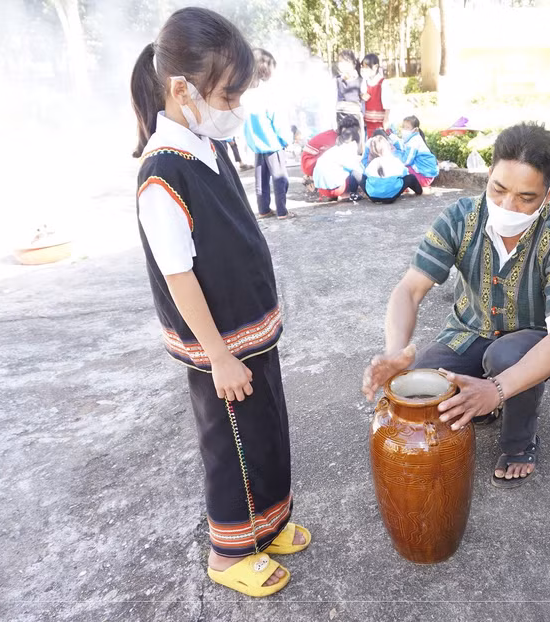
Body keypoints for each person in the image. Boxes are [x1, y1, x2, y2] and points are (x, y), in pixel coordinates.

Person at [130, 7, 309, 599]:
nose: (236, 108)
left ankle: (271, 524)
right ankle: (231, 552)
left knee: (266, 431)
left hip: (250, 331)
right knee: (232, 446)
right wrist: (218, 357)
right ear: (181, 89)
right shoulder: (162, 174)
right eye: (228, 95)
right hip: (221, 346)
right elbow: (179, 276)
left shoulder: (206, 144)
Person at [362, 122, 550, 488]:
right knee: (421, 383)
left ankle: (519, 441)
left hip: (530, 342)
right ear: (489, 176)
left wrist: (496, 390)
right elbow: (409, 290)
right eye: (498, 189)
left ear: (549, 195)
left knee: (506, 358)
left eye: (526, 197)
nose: (507, 206)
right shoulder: (459, 218)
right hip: (468, 331)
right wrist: (396, 353)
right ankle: (479, 394)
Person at [243, 48, 293, 220]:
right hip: (273, 144)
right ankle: (282, 211)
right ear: (265, 68)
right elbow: (277, 119)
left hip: (257, 146)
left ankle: (263, 209)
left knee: (261, 180)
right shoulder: (268, 93)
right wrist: (285, 139)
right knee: (279, 178)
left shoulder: (245, 93)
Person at [300, 116, 360, 193]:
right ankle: (314, 180)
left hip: (309, 161)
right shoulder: (337, 139)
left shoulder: (335, 134)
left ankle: (313, 179)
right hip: (310, 163)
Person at [361, 134, 422, 203]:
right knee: (411, 177)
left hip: (373, 197)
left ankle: (355, 193)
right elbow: (405, 173)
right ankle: (419, 191)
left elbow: (366, 175)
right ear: (388, 147)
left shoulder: (372, 163)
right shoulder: (394, 160)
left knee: (360, 175)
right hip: (391, 196)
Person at [312, 125, 363, 201]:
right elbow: (356, 170)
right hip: (336, 189)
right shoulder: (347, 150)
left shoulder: (334, 150)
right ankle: (348, 194)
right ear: (354, 142)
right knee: (354, 172)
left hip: (322, 189)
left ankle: (336, 194)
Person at [396, 115, 438, 190]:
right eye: (403, 127)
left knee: (397, 168)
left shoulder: (414, 141)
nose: (404, 129)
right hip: (424, 175)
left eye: (407, 127)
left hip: (424, 177)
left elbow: (407, 161)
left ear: (415, 129)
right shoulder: (411, 139)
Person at [360, 53, 392, 139]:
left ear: (375, 67)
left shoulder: (383, 83)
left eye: (366, 67)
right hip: (368, 124)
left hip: (380, 125)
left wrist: (386, 122)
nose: (364, 69)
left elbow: (387, 106)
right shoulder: (365, 82)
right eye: (363, 67)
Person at [335, 50, 363, 143]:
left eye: (345, 62)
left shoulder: (361, 81)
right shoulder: (336, 80)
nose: (342, 65)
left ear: (353, 64)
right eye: (340, 62)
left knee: (357, 146)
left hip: (356, 120)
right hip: (340, 119)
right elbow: (332, 101)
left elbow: (364, 102)